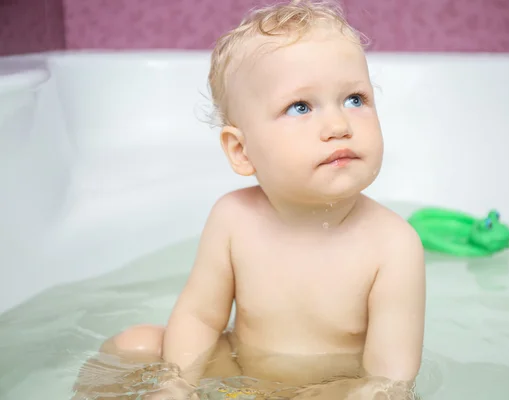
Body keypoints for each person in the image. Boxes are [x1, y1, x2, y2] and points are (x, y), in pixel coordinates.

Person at [72, 0, 425, 398]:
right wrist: (177, 385)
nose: (339, 125)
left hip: (330, 389)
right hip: (237, 373)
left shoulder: (393, 245)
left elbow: (389, 380)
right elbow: (200, 318)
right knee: (136, 342)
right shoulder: (233, 219)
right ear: (242, 151)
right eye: (301, 106)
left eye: (355, 99)